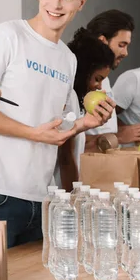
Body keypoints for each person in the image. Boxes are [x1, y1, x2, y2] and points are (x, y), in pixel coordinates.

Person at [0, 0, 115, 248]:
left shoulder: (68, 60)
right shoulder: (5, 37)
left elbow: (55, 126)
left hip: (42, 197)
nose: (55, 5)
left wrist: (85, 123)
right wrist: (32, 134)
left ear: (81, 3)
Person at [54, 28, 116, 187]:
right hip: (59, 190)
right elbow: (66, 158)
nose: (99, 86)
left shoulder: (73, 99)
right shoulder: (70, 98)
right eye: (97, 78)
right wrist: (73, 197)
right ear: (84, 70)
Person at [84, 10, 140, 151]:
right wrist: (118, 136)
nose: (126, 53)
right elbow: (68, 140)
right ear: (102, 41)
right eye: (121, 45)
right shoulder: (78, 79)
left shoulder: (104, 80)